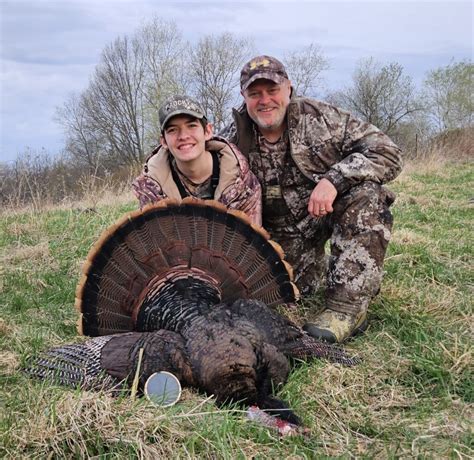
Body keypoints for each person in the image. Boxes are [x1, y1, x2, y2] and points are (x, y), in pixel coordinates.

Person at [220, 55, 403, 343]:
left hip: (322, 215)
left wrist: (334, 179)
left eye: (272, 90)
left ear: (289, 88)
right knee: (288, 296)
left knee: (367, 195)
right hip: (278, 242)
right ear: (244, 97)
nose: (264, 100)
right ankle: (322, 269)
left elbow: (387, 152)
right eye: (255, 94)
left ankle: (347, 307)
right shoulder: (231, 139)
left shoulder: (322, 119)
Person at [133, 95, 262, 226]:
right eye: (172, 130)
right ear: (164, 141)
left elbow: (250, 242)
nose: (183, 136)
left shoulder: (241, 182)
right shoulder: (152, 190)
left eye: (191, 126)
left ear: (207, 131)